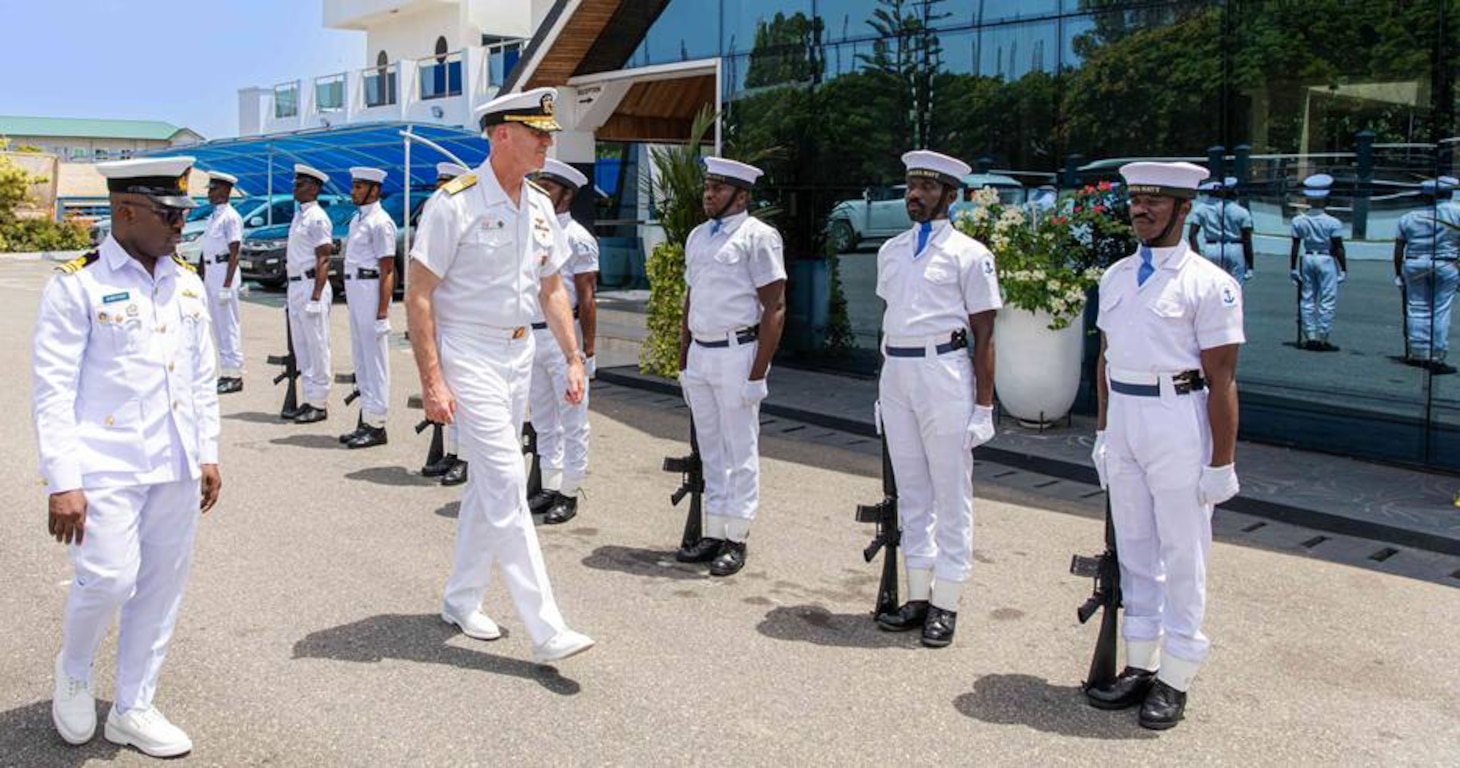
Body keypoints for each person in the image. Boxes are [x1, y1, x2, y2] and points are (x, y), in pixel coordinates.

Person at [34, 156, 222, 757]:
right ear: (126, 211)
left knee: (161, 587)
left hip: (175, 460)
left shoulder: (185, 281)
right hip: (106, 462)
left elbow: (201, 377)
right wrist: (63, 481)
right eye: (169, 214)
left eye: (184, 215)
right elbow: (53, 390)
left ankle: (134, 705)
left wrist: (208, 453)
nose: (179, 227)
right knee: (110, 578)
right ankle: (76, 666)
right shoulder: (77, 283)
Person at [406, 87, 594, 663]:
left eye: (549, 134)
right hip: (468, 350)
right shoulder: (454, 204)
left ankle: (461, 598)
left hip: (517, 353)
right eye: (537, 133)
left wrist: (571, 355)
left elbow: (552, 286)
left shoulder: (538, 206)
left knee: (490, 483)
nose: (547, 142)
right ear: (500, 134)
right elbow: (418, 296)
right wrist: (432, 380)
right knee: (510, 479)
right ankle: (547, 628)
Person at [1089, 161, 1244, 730]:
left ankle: (1177, 674)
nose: (1141, 211)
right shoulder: (1116, 276)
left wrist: (1220, 462)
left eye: (1155, 203)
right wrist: (1104, 432)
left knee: (1183, 551)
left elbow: (1222, 377)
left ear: (1184, 209)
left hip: (1179, 415)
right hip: (1127, 414)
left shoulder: (1210, 285)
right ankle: (1141, 662)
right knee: (1135, 546)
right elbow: (1105, 362)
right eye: (1136, 201)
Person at [870, 150, 1000, 648]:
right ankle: (918, 593)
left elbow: (985, 335)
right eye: (910, 186)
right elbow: (890, 321)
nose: (915, 195)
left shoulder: (970, 254)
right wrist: (884, 387)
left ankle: (946, 601)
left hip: (944, 370)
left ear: (951, 195)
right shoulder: (893, 250)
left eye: (926, 188)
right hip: (898, 371)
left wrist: (984, 406)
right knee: (912, 489)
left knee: (950, 491)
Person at [674, 156, 787, 577]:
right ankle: (714, 529)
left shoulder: (759, 237)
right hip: (702, 353)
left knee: (740, 450)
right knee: (711, 447)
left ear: (741, 195)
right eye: (707, 186)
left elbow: (774, 306)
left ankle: (736, 537)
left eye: (719, 188)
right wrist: (684, 358)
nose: (708, 194)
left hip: (738, 351)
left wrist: (758, 372)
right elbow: (691, 299)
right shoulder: (698, 237)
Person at [526, 158, 599, 524]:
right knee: (543, 419)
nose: (540, 192)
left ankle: (569, 491)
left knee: (573, 420)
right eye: (538, 185)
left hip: (562, 337)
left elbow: (587, 298)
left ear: (567, 195)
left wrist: (588, 351)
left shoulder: (578, 238)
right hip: (531, 334)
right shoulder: (535, 231)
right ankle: (551, 485)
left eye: (548, 187)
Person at [338, 166, 398, 449]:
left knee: (375, 361)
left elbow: (388, 270)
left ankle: (378, 424)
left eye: (360, 187)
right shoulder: (357, 220)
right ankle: (366, 416)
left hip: (370, 289)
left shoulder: (380, 222)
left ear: (375, 190)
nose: (354, 191)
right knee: (361, 358)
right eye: (354, 186)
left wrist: (382, 312)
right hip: (355, 290)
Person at [420, 162, 472, 486]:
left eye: (447, 182)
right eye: (438, 182)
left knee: (463, 390)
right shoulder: (435, 214)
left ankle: (466, 457)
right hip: (440, 311)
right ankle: (453, 451)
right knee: (447, 386)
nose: (441, 188)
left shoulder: (465, 217)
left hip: (461, 314)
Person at [284, 164, 335, 423]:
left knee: (317, 345)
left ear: (314, 188)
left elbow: (324, 258)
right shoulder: (300, 215)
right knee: (302, 345)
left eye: (300, 184)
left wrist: (316, 297)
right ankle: (309, 397)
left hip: (310, 285)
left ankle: (320, 402)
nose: (295, 187)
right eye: (295, 183)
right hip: (295, 286)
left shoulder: (317, 217)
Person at [1394, 178, 1460, 373]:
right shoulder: (1457, 212)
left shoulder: (1409, 216)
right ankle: (1437, 355)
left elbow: (1399, 247)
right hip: (1445, 263)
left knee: (1416, 307)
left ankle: (1418, 352)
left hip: (1414, 262)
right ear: (1449, 193)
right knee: (1441, 309)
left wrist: (1398, 273)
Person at [1289, 173, 1347, 351]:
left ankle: (1310, 335)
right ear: (1326, 199)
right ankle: (1323, 336)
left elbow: (1295, 245)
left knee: (1308, 297)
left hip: (1307, 257)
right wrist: (1343, 268)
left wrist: (1292, 267)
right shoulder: (1333, 222)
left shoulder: (1299, 220)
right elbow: (1338, 247)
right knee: (1327, 298)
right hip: (1326, 258)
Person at [199, 171, 245, 393]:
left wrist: (227, 285)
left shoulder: (231, 217)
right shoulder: (213, 216)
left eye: (213, 188)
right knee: (217, 325)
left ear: (225, 191)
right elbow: (205, 249)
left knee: (228, 325)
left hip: (224, 271)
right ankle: (225, 371)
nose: (209, 192)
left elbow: (235, 251)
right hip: (212, 271)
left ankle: (234, 374)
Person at [1189, 176, 1254, 284]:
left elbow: (1192, 235)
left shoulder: (1201, 209)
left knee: (1212, 286)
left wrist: (1197, 258)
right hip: (1235, 248)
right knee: (1235, 286)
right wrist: (1250, 265)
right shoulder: (1241, 211)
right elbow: (1247, 240)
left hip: (1211, 247)